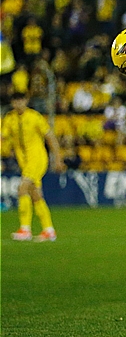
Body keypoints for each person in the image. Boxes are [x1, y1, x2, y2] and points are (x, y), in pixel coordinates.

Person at [2, 92, 66, 241]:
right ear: (12, 103)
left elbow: (50, 137)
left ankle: (25, 229)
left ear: (26, 101)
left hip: (37, 159)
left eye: (21, 100)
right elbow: (3, 137)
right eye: (15, 101)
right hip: (24, 161)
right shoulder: (9, 118)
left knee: (22, 188)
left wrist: (58, 159)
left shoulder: (35, 117)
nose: (18, 103)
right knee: (35, 194)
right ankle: (49, 230)